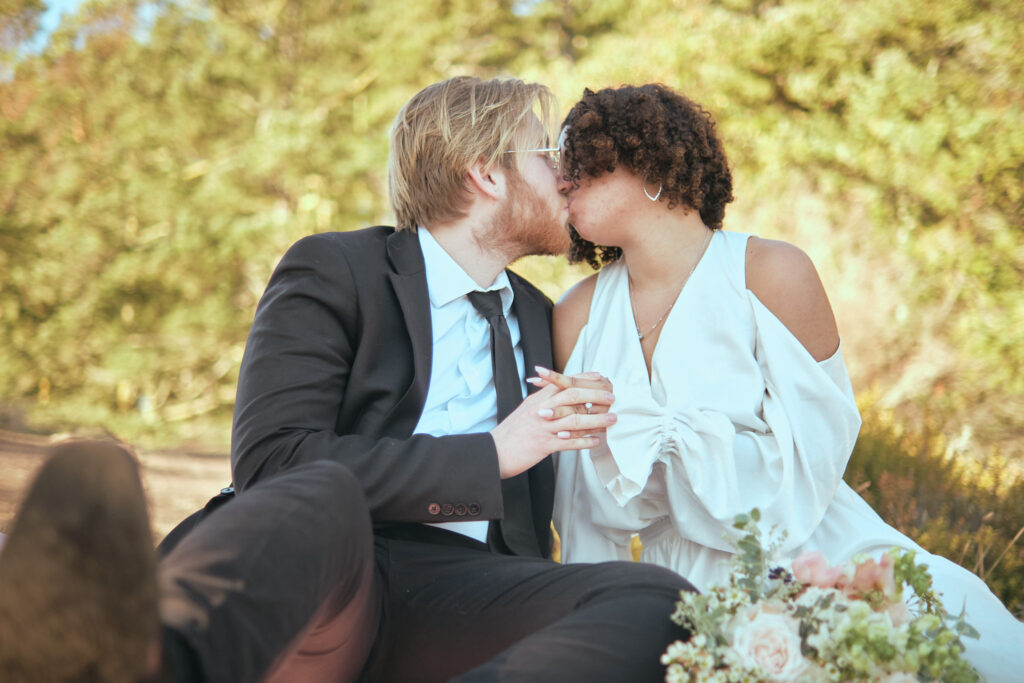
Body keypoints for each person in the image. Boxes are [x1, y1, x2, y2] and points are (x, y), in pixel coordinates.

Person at [0, 76, 694, 682]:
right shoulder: (337, 270)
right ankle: (151, 663)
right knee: (325, 491)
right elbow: (273, 459)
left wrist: (601, 432)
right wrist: (490, 455)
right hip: (325, 565)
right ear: (484, 171)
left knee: (656, 598)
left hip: (465, 592)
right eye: (546, 155)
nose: (566, 177)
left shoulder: (550, 320)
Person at [548, 83, 1024, 679]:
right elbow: (581, 510)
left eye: (583, 163)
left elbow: (817, 457)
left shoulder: (772, 274)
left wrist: (668, 440)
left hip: (812, 553)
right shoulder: (575, 316)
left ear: (651, 166)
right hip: (666, 587)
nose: (562, 180)